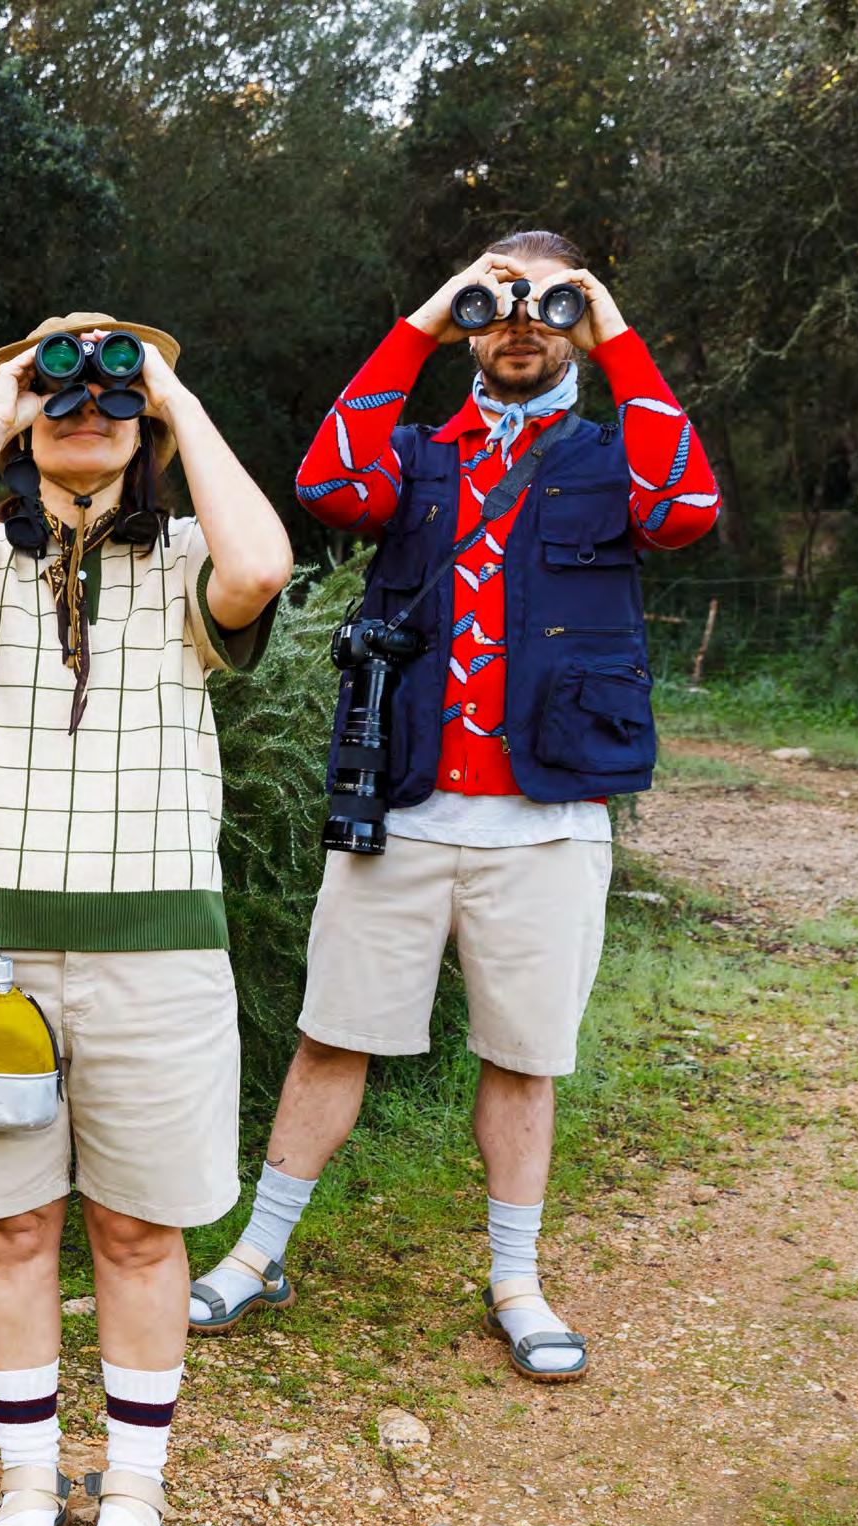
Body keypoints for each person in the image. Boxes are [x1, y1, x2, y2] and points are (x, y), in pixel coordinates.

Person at [189, 231, 719, 1381]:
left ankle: (515, 1279)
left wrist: (612, 330)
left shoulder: (610, 458)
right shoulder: (420, 457)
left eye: (545, 303)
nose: (517, 323)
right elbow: (328, 483)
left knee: (521, 1057)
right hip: (403, 805)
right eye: (494, 302)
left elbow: (683, 506)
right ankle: (256, 1251)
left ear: (578, 317)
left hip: (546, 815)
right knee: (331, 1036)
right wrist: (424, 319)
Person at [0, 313, 292, 1526]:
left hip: (154, 950)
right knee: (9, 1226)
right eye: (56, 381)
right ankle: (23, 1483)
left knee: (137, 1226)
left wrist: (168, 393)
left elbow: (261, 563)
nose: (85, 401)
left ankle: (131, 1489)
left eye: (112, 384)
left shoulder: (185, 556)